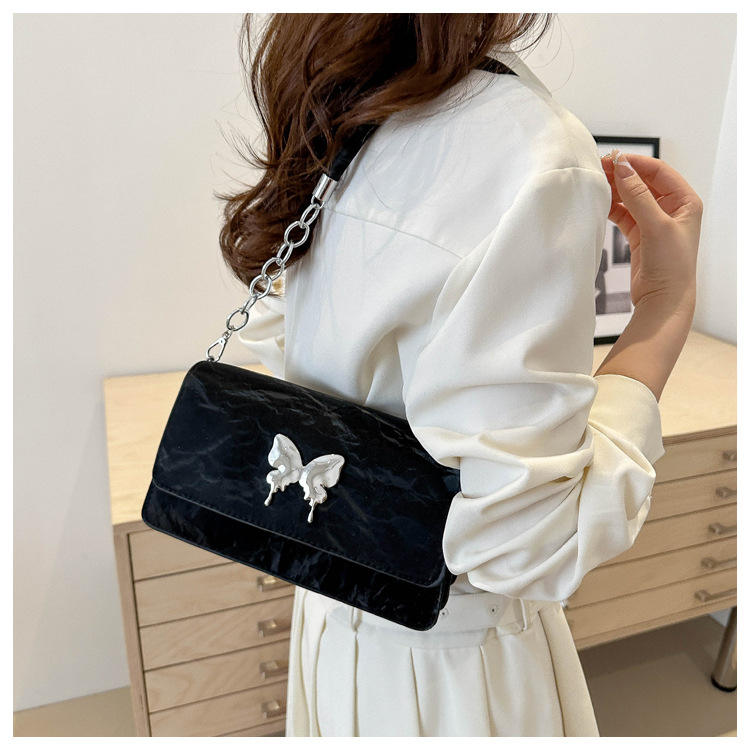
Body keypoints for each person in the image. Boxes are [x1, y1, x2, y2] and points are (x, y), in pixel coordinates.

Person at [224, 13, 702, 737]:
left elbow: (273, 331)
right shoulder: (528, 146)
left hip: (332, 622)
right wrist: (664, 307)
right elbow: (528, 541)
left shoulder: (341, 90)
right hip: (451, 665)